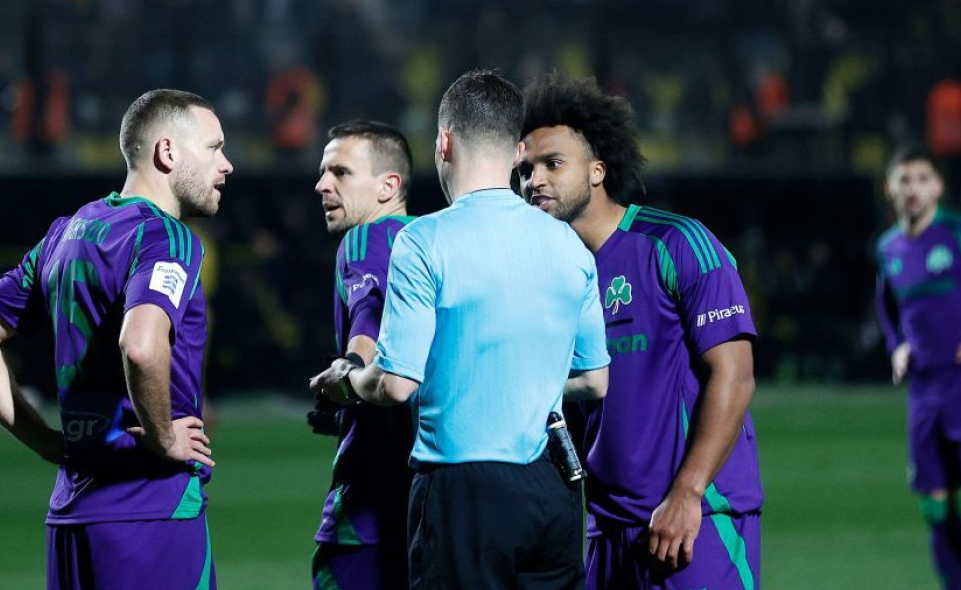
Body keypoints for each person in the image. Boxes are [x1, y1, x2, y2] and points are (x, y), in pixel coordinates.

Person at [311, 69, 610, 590]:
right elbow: (593, 380)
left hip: (461, 486)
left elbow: (395, 384)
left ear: (444, 142)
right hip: (553, 489)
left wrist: (346, 380)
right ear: (517, 151)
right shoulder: (568, 244)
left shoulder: (423, 241)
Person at [0, 89, 231, 589]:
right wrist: (164, 438)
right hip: (150, 510)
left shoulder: (66, 233)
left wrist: (47, 443)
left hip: (72, 513)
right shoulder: (166, 236)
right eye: (214, 148)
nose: (226, 165)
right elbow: (140, 346)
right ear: (168, 151)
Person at [517, 73, 762, 590]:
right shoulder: (546, 280)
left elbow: (735, 375)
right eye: (525, 169)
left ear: (598, 170)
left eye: (552, 164)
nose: (534, 180)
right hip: (603, 534)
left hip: (695, 522)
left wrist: (688, 493)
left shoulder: (675, 244)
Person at [308, 120, 416, 590]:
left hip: (371, 502)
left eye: (340, 172)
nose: (322, 184)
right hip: (435, 501)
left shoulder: (366, 239)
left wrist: (347, 376)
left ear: (388, 186)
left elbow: (366, 329)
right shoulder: (436, 242)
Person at [875, 147, 961, 590]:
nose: (913, 188)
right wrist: (897, 347)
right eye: (904, 180)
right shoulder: (888, 248)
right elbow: (887, 305)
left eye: (922, 179)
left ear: (938, 186)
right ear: (889, 189)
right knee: (935, 508)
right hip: (923, 392)